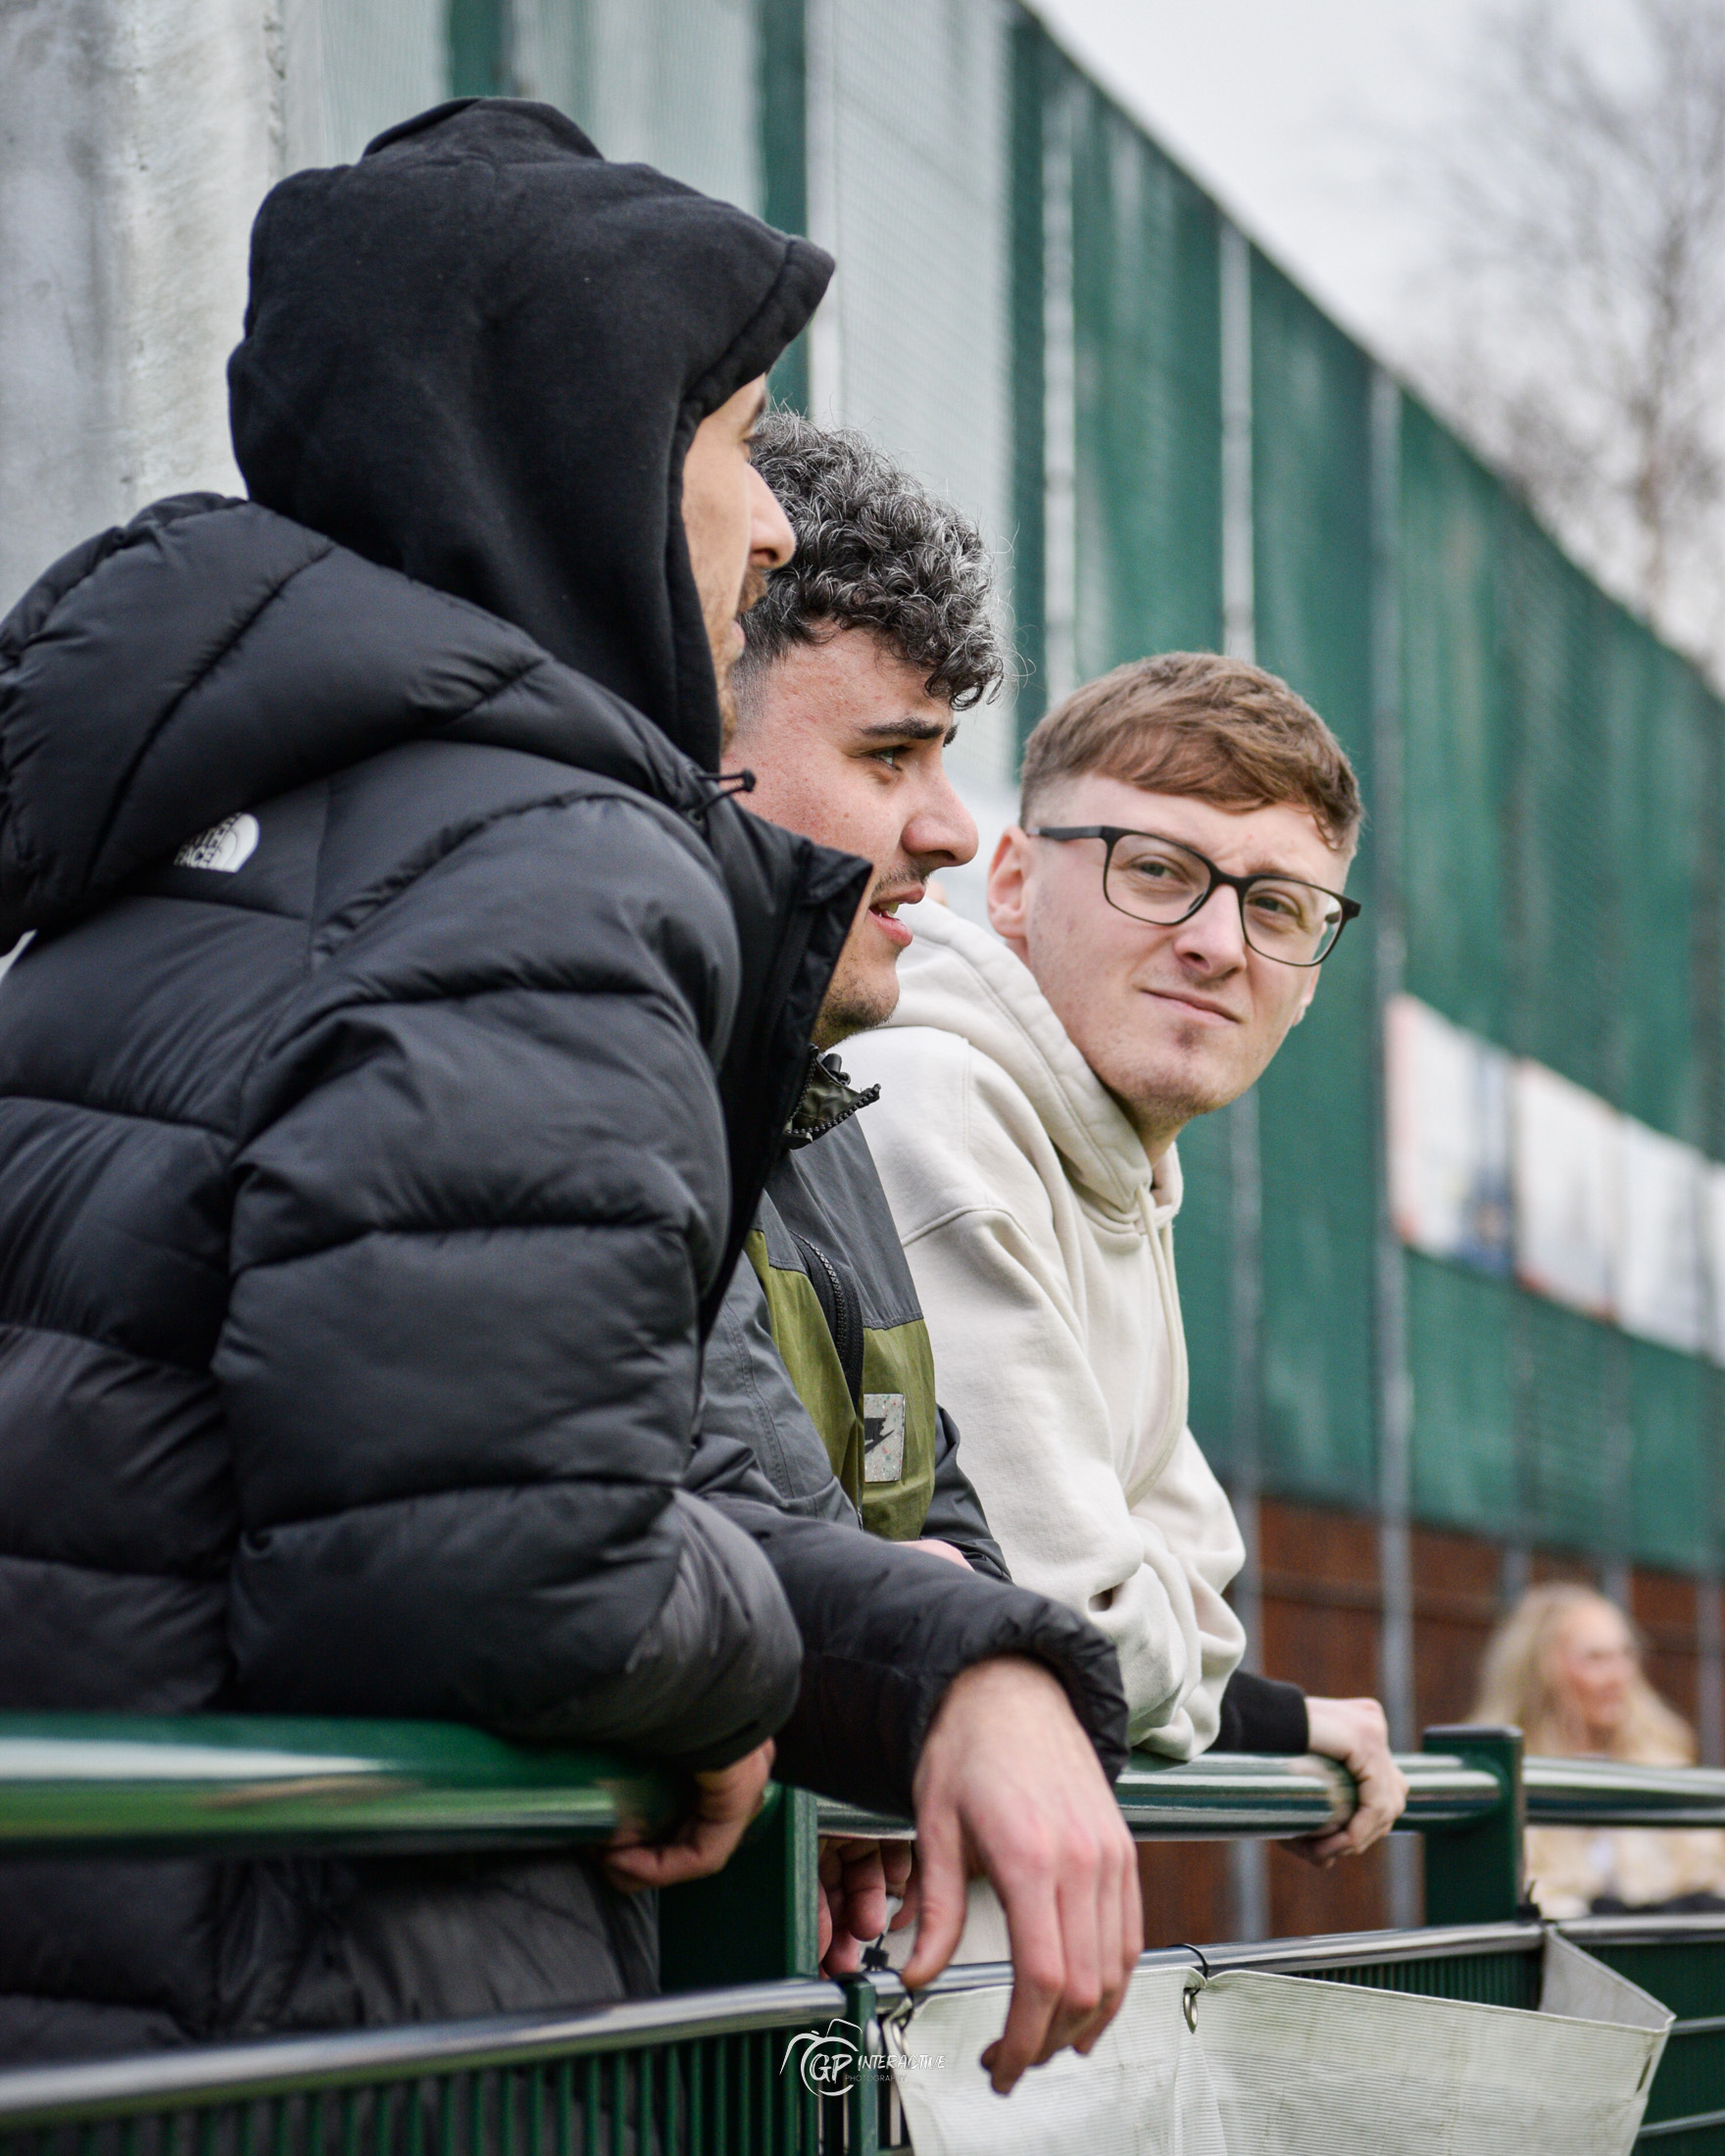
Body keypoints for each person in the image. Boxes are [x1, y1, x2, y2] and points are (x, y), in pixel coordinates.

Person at [0, 101, 1137, 2084]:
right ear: (574, 454)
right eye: (731, 440)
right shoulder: (543, 867)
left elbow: (437, 1461)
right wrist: (728, 1692)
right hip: (349, 2033)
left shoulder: (174, 851)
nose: (767, 524)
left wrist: (945, 1659)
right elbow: (510, 1556)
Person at [845, 651, 1409, 1859]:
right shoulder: (937, 1102)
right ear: (1010, 881)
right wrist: (1210, 1679)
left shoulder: (1116, 1163)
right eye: (1155, 870)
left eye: (1275, 906)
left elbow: (1195, 1586)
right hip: (833, 1956)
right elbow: (1076, 1618)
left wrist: (1213, 1676)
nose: (1216, 943)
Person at [1474, 1584, 1725, 1918]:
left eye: (1625, 1655)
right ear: (1541, 1668)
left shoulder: (1663, 1763)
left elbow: (1708, 1877)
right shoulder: (1501, 1770)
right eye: (1596, 1658)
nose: (1619, 1676)